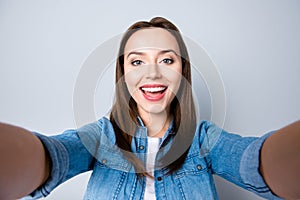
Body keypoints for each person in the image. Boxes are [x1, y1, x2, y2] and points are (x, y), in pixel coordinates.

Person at [0, 17, 299, 200]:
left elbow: (256, 162)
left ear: (183, 72)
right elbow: (52, 156)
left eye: (167, 60)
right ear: (124, 74)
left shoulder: (204, 140)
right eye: (137, 61)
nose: (153, 73)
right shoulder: (102, 137)